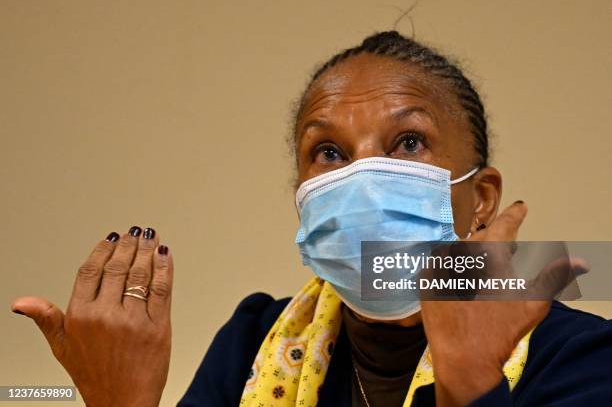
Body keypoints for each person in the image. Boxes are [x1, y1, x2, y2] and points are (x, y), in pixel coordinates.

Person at [11, 31, 612, 407]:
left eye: (407, 142)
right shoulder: (251, 341)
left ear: (480, 198)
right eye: (329, 153)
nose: (362, 179)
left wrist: (473, 380)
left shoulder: (581, 354)